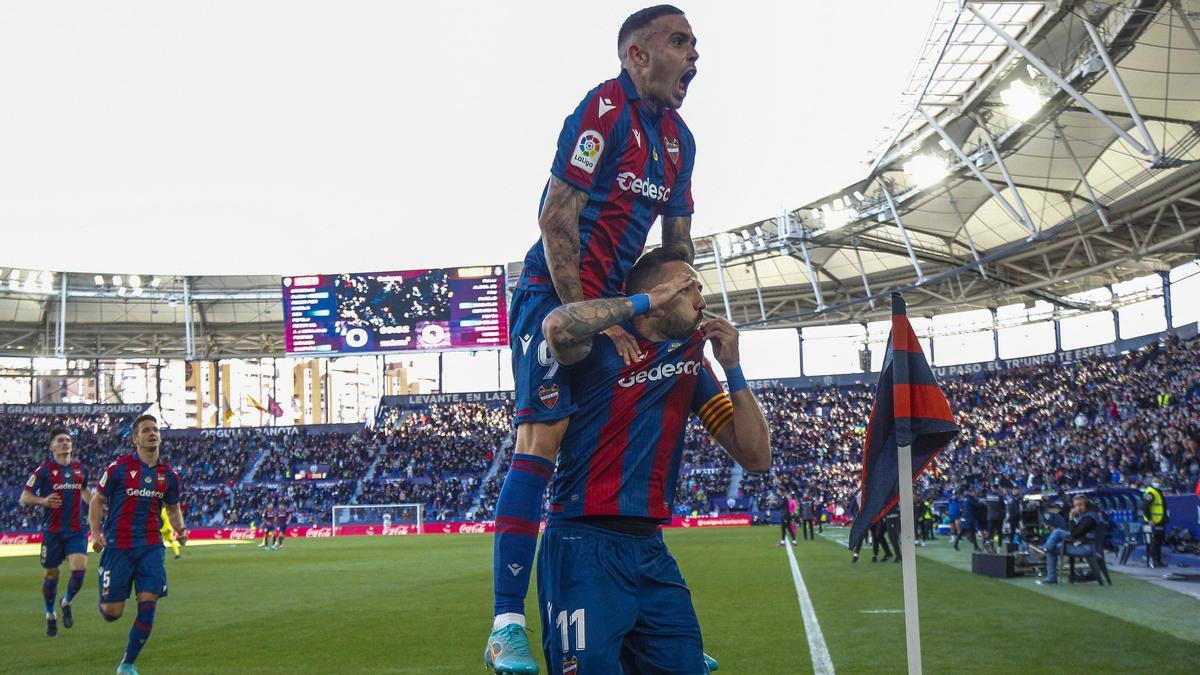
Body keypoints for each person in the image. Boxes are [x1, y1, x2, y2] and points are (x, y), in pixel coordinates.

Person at [486, 5, 699, 670]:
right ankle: (507, 621)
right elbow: (555, 217)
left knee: (635, 410)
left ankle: (661, 619)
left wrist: (680, 307)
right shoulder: (604, 109)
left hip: (613, 307)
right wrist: (595, 313)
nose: (695, 56)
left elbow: (679, 241)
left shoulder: (681, 142)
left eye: (696, 45)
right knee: (542, 437)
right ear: (638, 54)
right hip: (552, 292)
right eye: (680, 42)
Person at [531, 246, 771, 673]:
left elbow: (756, 456)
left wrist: (733, 368)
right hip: (582, 545)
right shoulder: (600, 343)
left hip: (650, 552)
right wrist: (642, 303)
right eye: (688, 287)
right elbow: (556, 325)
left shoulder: (690, 361)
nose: (701, 300)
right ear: (655, 295)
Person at [89, 414, 187, 675]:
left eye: (155, 430)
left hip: (150, 546)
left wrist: (180, 528)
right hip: (118, 546)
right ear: (135, 438)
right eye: (146, 430)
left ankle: (127, 664)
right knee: (112, 612)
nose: (152, 434)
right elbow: (97, 501)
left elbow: (173, 506)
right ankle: (109, 587)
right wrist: (96, 532)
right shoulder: (118, 469)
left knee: (149, 600)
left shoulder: (169, 475)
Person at [19, 426, 93, 637]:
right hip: (52, 532)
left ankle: (66, 601)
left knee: (79, 571)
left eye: (67, 440)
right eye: (60, 440)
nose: (64, 443)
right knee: (52, 574)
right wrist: (43, 500)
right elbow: (25, 497)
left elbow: (85, 491)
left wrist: (97, 506)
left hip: (76, 530)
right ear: (52, 446)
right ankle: (50, 614)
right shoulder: (43, 470)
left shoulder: (80, 469)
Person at [1036, 494, 1103, 585]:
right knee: (1054, 542)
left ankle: (1051, 576)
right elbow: (1075, 533)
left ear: (1086, 505)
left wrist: (1071, 518)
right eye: (1076, 505)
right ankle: (1046, 549)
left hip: (1087, 548)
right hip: (1084, 544)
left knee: (1056, 537)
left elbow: (1074, 534)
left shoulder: (1089, 518)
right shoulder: (1089, 515)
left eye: (1080, 505)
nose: (1078, 508)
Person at [1142, 480, 1170, 568]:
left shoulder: (1157, 492)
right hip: (1155, 521)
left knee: (1159, 540)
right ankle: (1154, 560)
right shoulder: (1151, 492)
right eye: (1156, 481)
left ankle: (1156, 560)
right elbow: (1145, 507)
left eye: (1159, 481)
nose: (1159, 483)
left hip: (1159, 520)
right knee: (1156, 541)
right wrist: (1150, 519)